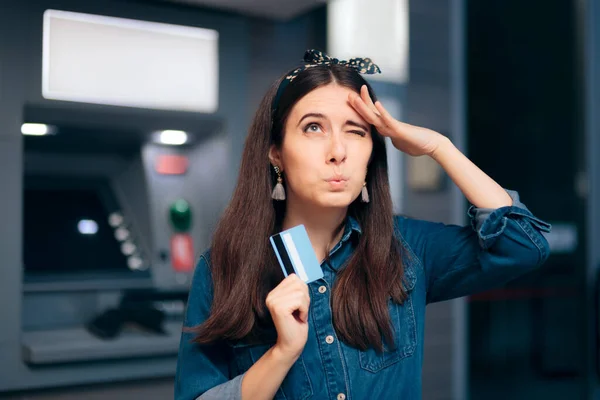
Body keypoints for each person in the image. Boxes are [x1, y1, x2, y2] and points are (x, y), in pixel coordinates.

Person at [175, 49, 551, 400]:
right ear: (276, 153)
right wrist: (281, 353)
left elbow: (521, 244)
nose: (338, 152)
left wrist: (439, 146)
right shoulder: (223, 268)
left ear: (372, 153)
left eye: (356, 131)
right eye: (313, 128)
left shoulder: (406, 249)